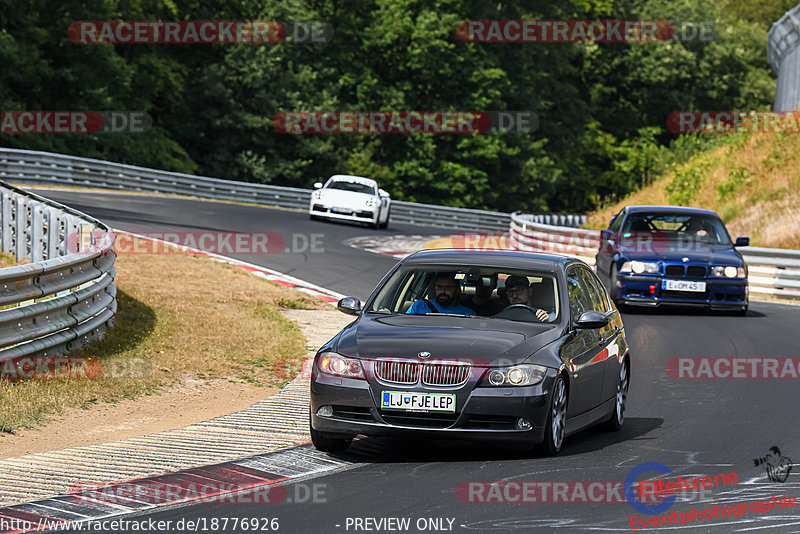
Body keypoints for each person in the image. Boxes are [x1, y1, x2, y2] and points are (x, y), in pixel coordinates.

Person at [406, 272, 476, 315]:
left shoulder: (468, 314)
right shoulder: (419, 306)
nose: (442, 291)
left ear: (457, 290)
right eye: (439, 287)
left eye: (448, 287)